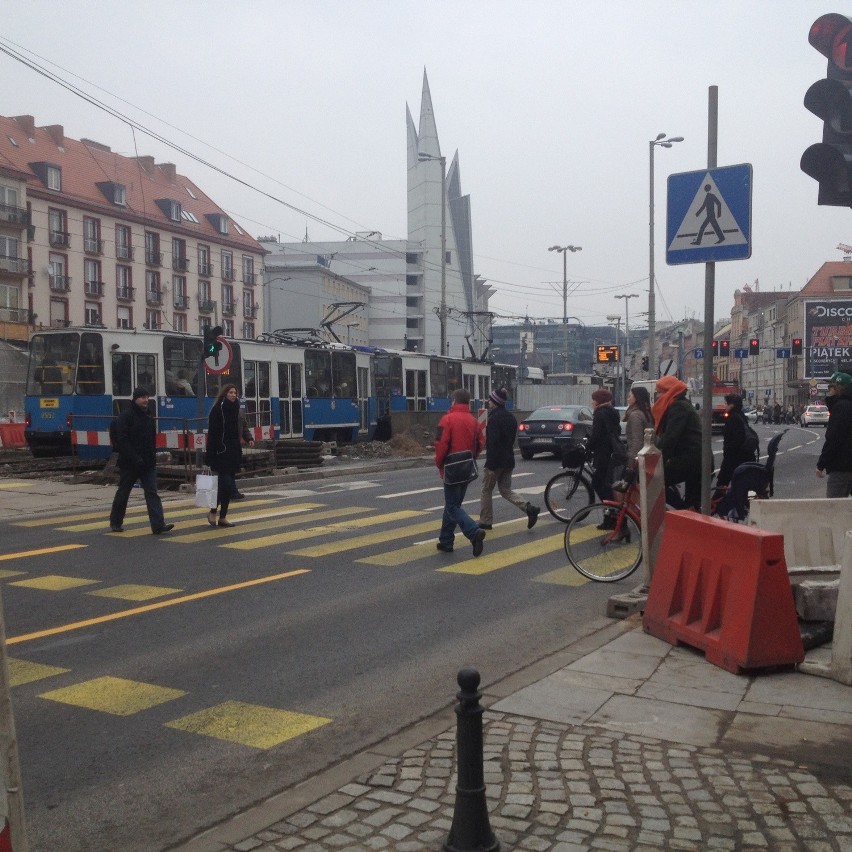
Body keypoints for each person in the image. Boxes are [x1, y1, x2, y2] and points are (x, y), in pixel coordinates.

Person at [108, 387, 174, 534]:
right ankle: (115, 522)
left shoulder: (148, 416)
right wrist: (135, 458)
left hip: (148, 462)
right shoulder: (126, 416)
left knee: (152, 492)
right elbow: (123, 440)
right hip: (130, 463)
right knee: (123, 492)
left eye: (147, 397)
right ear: (135, 399)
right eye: (142, 397)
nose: (146, 400)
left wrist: (152, 457)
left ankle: (158, 525)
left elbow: (151, 440)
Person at [478, 387, 539, 531]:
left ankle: (486, 521)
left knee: (486, 490)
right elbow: (511, 440)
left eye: (490, 399)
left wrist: (491, 466)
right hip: (508, 460)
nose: (488, 401)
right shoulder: (511, 418)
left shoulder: (493, 419)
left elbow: (492, 443)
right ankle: (528, 508)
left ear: (495, 402)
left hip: (496, 461)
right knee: (505, 490)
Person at [434, 388, 486, 556]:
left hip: (451, 468)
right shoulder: (474, 421)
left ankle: (473, 532)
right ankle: (446, 540)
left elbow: (441, 444)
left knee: (452, 506)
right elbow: (480, 443)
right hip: (467, 469)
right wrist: (472, 457)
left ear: (454, 401)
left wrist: (439, 462)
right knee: (453, 505)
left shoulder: (446, 420)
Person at [206, 384, 253, 527]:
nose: (233, 395)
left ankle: (223, 517)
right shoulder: (217, 410)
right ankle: (213, 511)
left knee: (228, 486)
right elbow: (212, 434)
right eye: (231, 392)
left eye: (235, 393)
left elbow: (243, 426)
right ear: (225, 394)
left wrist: (249, 438)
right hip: (220, 452)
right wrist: (210, 455)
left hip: (234, 451)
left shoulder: (238, 410)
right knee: (225, 484)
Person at [652, 375, 702, 510]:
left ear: (670, 392)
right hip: (697, 459)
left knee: (655, 482)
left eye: (660, 392)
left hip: (692, 460)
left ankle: (681, 512)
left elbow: (670, 438)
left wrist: (656, 461)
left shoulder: (678, 407)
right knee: (693, 504)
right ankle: (686, 513)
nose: (658, 396)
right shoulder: (681, 404)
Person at [816, 371, 852, 497]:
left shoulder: (841, 407)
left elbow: (833, 439)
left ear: (838, 388)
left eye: (830, 387)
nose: (828, 390)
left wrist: (821, 464)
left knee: (833, 509)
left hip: (842, 467)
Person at [716, 393, 758, 489]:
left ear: (732, 405)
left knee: (722, 484)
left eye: (726, 403)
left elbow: (736, 439)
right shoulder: (740, 415)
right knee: (736, 484)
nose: (725, 406)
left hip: (735, 457)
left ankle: (719, 502)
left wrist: (728, 453)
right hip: (744, 456)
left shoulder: (733, 418)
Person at [587, 387, 622, 504]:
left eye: (594, 400)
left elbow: (596, 435)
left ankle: (611, 511)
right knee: (607, 483)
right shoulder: (613, 413)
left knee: (597, 483)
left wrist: (587, 446)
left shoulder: (599, 414)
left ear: (599, 401)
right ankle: (612, 512)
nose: (592, 402)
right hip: (612, 454)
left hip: (603, 455)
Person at [623, 386, 654, 465]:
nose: (628, 399)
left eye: (630, 396)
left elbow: (637, 440)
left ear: (636, 397)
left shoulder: (635, 415)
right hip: (648, 454)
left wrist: (632, 461)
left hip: (638, 458)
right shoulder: (646, 412)